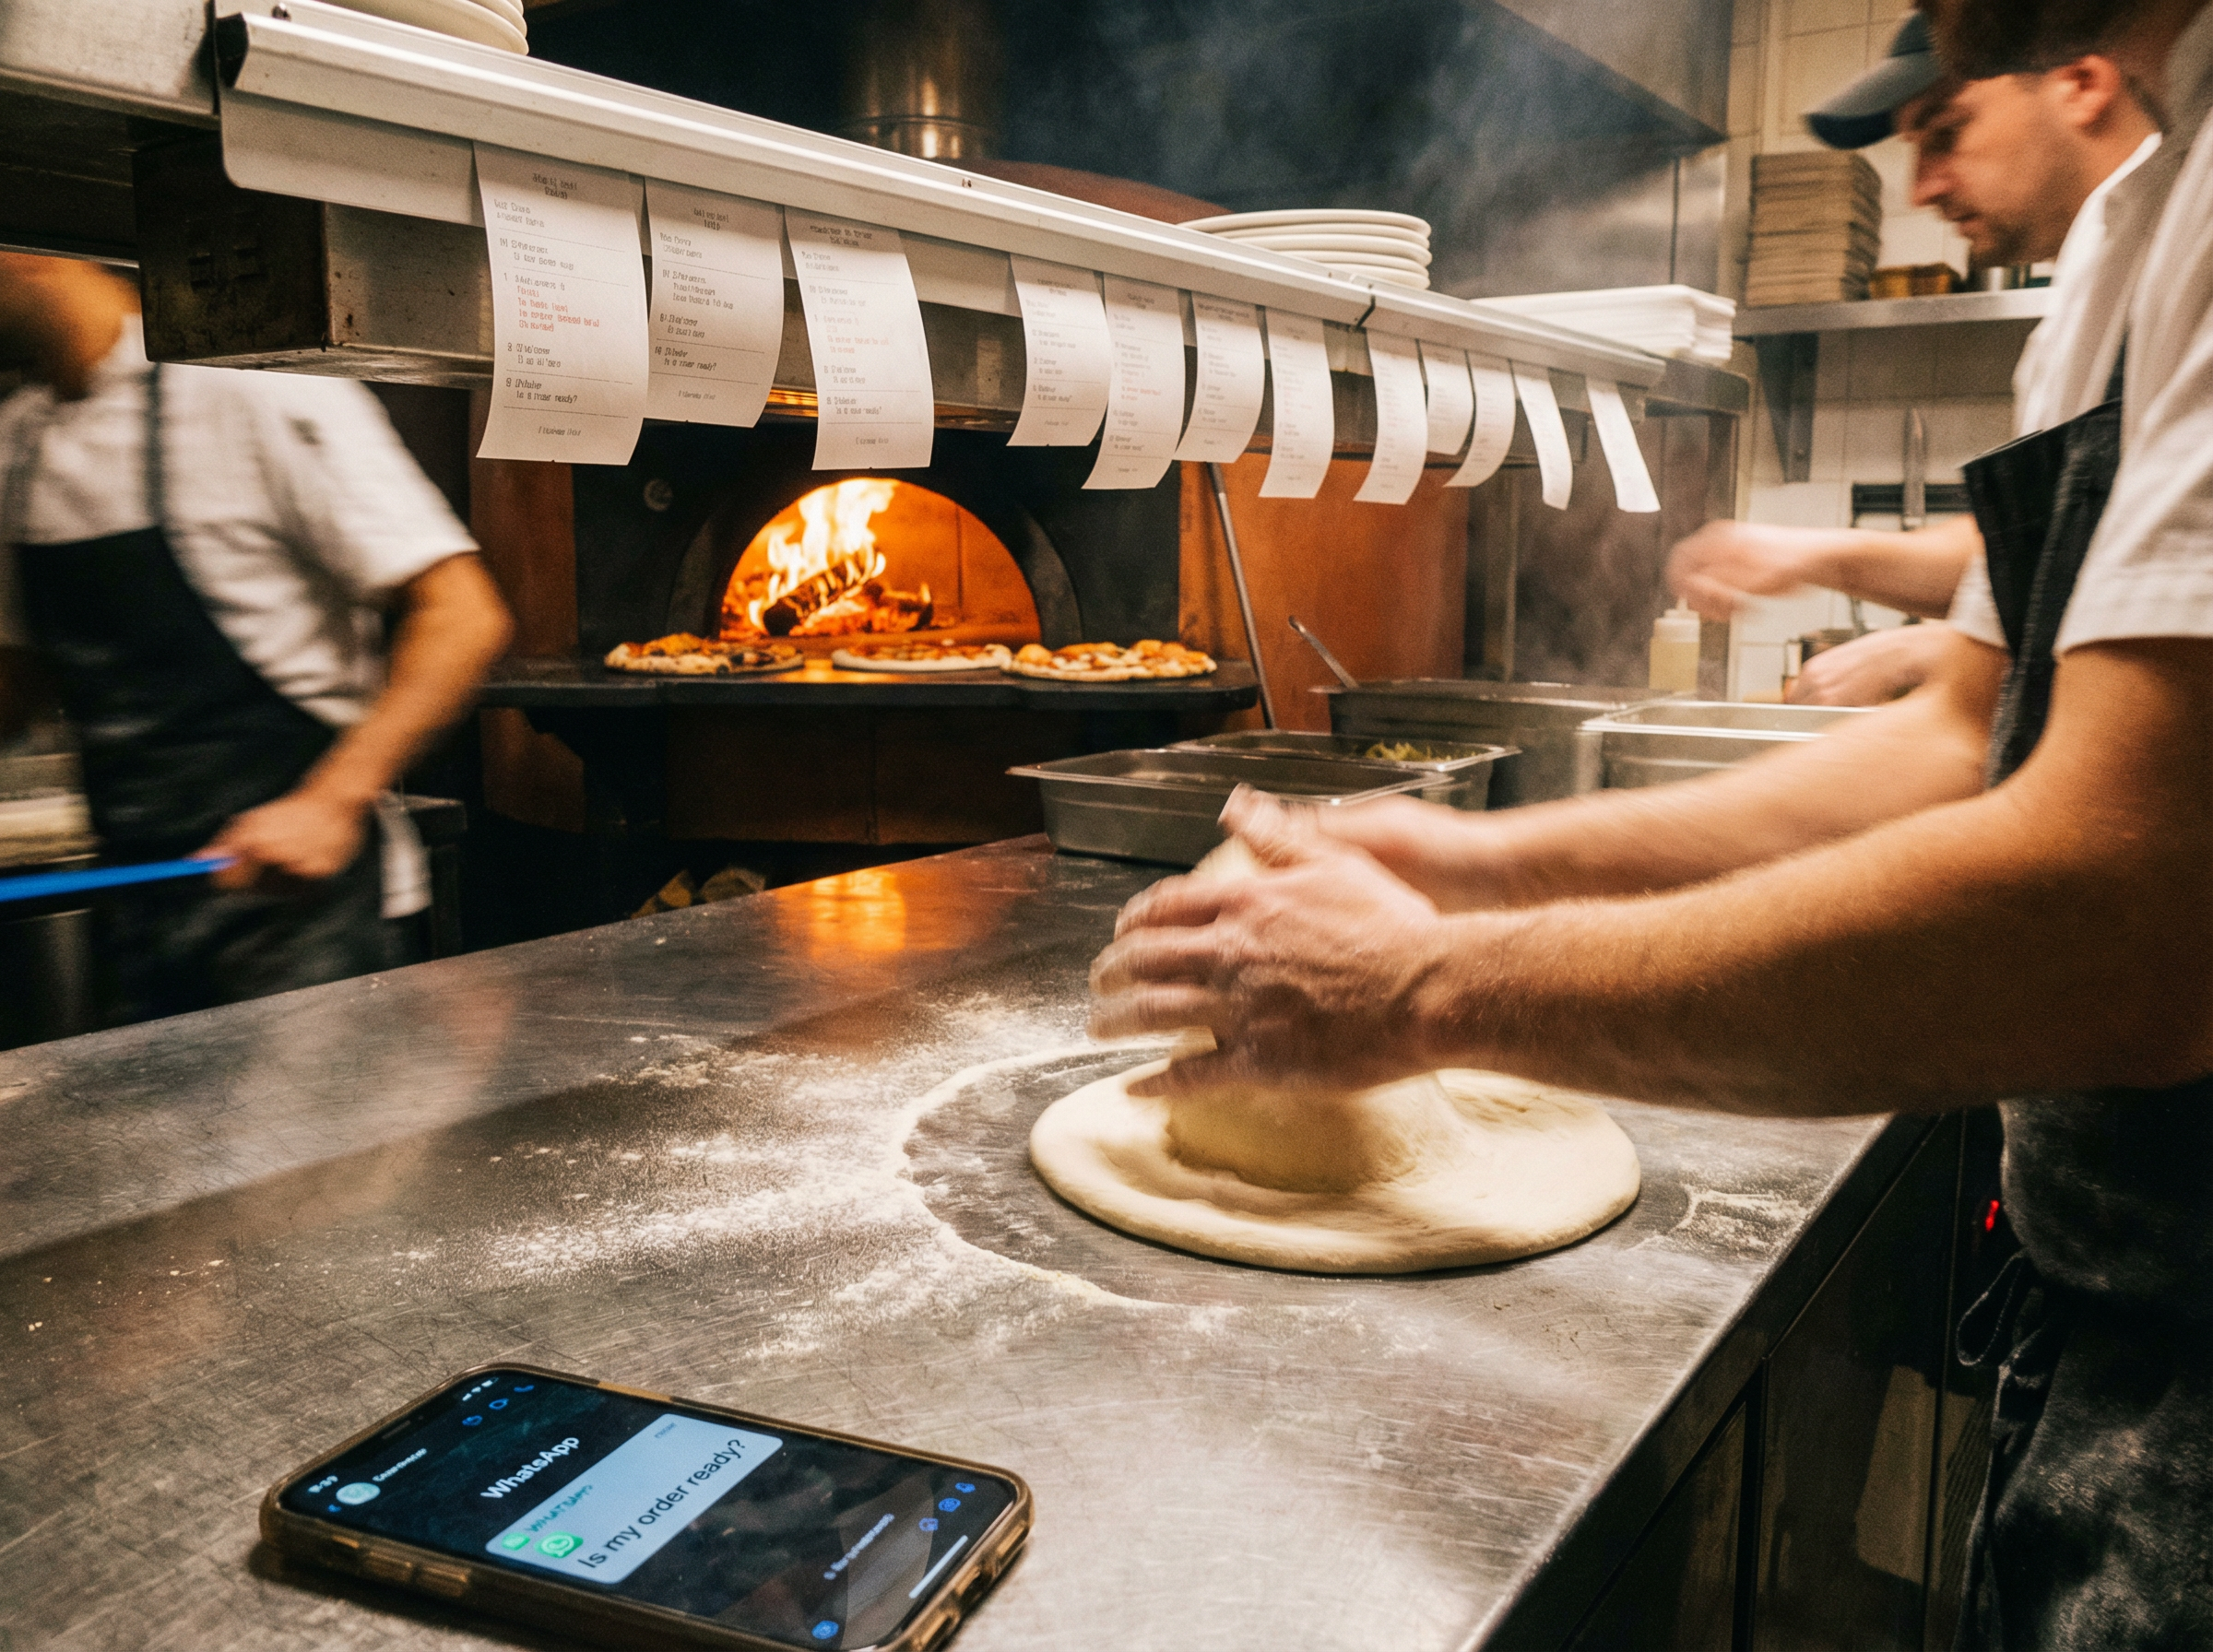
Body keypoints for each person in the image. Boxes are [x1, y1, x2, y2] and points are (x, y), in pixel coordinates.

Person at [1091, 0, 2213, 1644]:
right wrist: (1457, 860)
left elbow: (2140, 915)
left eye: (1940, 119)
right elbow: (1958, 743)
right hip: (2112, 1304)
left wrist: (1419, 994)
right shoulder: (2134, 235)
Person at [0, 254, 512, 1022]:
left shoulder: (252, 388)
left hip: (304, 912)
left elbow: (463, 614)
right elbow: (19, 678)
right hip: (139, 910)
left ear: (33, 259)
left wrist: (329, 804)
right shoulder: (15, 444)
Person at [1667, 13, 2160, 705]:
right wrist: (1819, 555)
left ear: (2080, 83)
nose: (1919, 189)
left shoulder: (2178, 262)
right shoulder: (2090, 285)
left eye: (1946, 132)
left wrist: (1940, 649)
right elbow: (2054, 549)